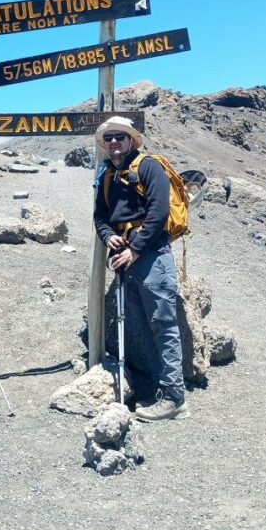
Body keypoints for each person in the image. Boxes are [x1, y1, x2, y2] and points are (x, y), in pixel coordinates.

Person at [93, 116, 189, 422]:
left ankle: (175, 398)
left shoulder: (148, 166)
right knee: (140, 324)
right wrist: (108, 237)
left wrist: (135, 249)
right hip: (125, 258)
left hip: (151, 256)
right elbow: (100, 217)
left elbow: (159, 212)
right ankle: (157, 388)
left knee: (163, 324)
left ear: (131, 140)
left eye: (119, 137)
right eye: (108, 138)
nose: (113, 142)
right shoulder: (107, 174)